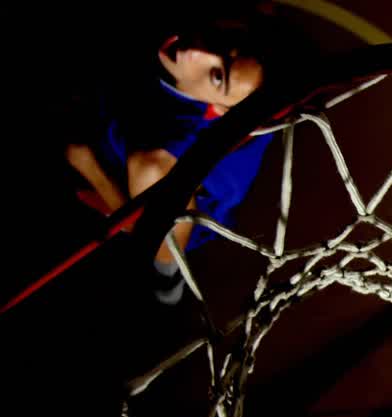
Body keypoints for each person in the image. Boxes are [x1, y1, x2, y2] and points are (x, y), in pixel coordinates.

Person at [61, 5, 284, 305]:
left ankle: (167, 275)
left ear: (218, 109)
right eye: (220, 44)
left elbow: (146, 230)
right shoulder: (199, 49)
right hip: (125, 112)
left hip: (164, 204)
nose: (195, 53)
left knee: (152, 208)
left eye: (217, 76)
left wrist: (90, 168)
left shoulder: (159, 159)